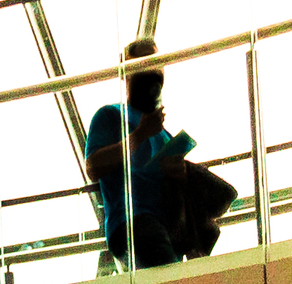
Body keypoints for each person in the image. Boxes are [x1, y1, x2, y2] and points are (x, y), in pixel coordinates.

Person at [82, 38, 237, 271]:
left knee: (171, 283)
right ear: (126, 68)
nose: (151, 67)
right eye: (144, 60)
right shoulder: (111, 115)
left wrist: (179, 172)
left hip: (167, 228)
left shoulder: (162, 133)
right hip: (134, 224)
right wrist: (139, 135)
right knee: (171, 283)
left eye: (156, 61)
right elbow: (93, 167)